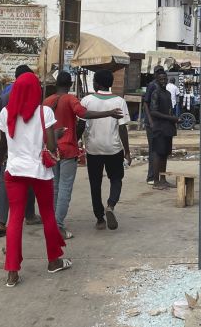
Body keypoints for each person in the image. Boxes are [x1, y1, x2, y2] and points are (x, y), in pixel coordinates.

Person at [0, 71, 69, 288]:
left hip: (14, 170)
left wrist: (4, 162)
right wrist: (59, 135)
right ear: (37, 90)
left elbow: (2, 144)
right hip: (39, 170)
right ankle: (54, 261)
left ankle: (12, 272)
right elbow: (52, 146)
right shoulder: (44, 112)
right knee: (47, 214)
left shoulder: (6, 112)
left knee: (15, 218)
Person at [43, 70, 120, 239]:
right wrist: (108, 113)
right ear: (70, 85)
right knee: (64, 189)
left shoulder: (47, 101)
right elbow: (84, 115)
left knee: (54, 188)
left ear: (56, 84)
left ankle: (52, 223)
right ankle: (58, 225)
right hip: (67, 150)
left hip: (50, 149)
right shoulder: (71, 99)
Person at [81, 69, 132, 230]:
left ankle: (99, 219)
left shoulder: (87, 100)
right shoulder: (119, 101)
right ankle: (110, 205)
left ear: (96, 83)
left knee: (95, 184)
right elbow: (122, 128)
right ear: (110, 84)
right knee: (116, 179)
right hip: (114, 148)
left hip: (93, 148)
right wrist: (127, 151)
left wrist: (75, 142)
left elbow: (81, 124)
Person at [0, 65, 37, 237]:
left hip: (9, 145)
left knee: (5, 182)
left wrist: (1, 153)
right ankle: (30, 215)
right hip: (28, 148)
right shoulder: (32, 92)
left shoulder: (5, 96)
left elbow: (3, 127)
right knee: (31, 183)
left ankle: (0, 220)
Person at [146, 71, 179, 190]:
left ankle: (163, 179)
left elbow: (169, 110)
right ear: (157, 80)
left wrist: (172, 120)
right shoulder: (156, 93)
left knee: (165, 153)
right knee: (157, 154)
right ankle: (156, 181)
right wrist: (171, 118)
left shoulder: (168, 94)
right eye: (161, 79)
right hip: (159, 127)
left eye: (165, 79)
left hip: (167, 128)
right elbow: (153, 111)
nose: (163, 81)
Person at [142, 67, 167, 184]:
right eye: (158, 72)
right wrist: (151, 121)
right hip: (151, 122)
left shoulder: (162, 86)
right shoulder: (152, 85)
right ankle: (151, 176)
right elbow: (146, 104)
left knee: (160, 149)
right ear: (155, 75)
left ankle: (158, 175)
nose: (161, 75)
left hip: (160, 123)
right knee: (153, 150)